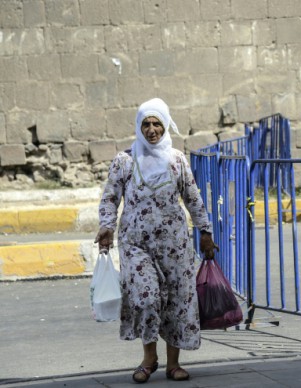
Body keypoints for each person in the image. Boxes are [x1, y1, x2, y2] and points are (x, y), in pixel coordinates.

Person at [95, 98, 217, 383]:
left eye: (157, 124)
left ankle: (173, 364)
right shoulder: (124, 160)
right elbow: (110, 197)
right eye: (146, 124)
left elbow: (192, 197)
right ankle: (149, 358)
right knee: (146, 297)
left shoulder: (176, 160)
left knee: (176, 300)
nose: (151, 130)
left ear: (165, 125)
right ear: (138, 127)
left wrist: (206, 232)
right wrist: (106, 227)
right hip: (135, 245)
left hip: (175, 244)